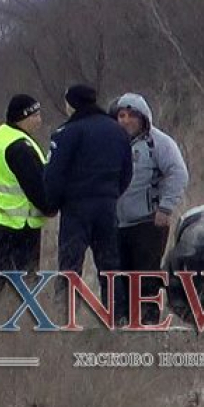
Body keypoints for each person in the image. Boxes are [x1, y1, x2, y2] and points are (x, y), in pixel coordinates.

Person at [44, 84, 133, 323]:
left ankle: (64, 317)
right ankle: (117, 319)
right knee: (110, 265)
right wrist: (111, 194)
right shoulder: (118, 131)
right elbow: (127, 173)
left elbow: (54, 174)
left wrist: (52, 204)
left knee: (70, 266)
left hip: (76, 208)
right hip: (107, 206)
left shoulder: (67, 132)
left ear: (72, 104)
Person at [114, 92, 189, 324]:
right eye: (121, 115)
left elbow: (178, 173)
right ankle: (123, 323)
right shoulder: (111, 143)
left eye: (132, 116)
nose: (126, 121)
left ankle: (148, 323)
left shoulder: (158, 142)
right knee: (119, 277)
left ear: (143, 118)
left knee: (145, 277)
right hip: (116, 224)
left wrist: (165, 208)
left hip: (148, 222)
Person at [0, 94, 55, 306]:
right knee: (24, 283)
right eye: (36, 115)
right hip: (22, 224)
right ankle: (16, 325)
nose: (39, 120)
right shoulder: (19, 147)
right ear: (24, 117)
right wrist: (50, 207)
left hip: (1, 220)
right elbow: (35, 186)